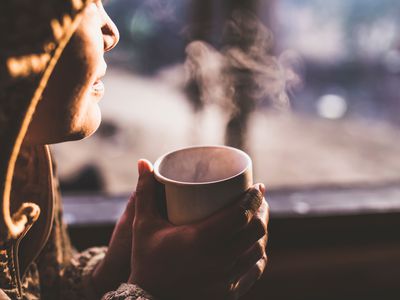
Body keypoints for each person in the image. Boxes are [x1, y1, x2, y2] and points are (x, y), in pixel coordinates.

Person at [0, 0, 269, 299]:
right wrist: (152, 291)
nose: (111, 33)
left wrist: (111, 271)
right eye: (86, 7)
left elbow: (47, 290)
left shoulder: (25, 157)